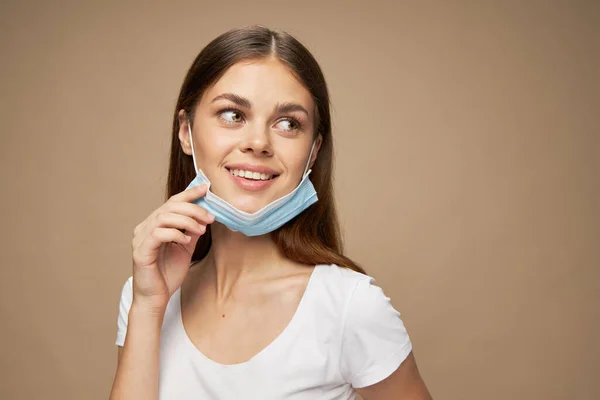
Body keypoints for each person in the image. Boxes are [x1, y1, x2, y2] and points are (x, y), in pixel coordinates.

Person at [110, 25, 432, 400]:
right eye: (232, 115)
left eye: (288, 124)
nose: (259, 143)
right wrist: (149, 306)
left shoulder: (351, 307)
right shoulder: (145, 296)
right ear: (186, 131)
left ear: (312, 152)